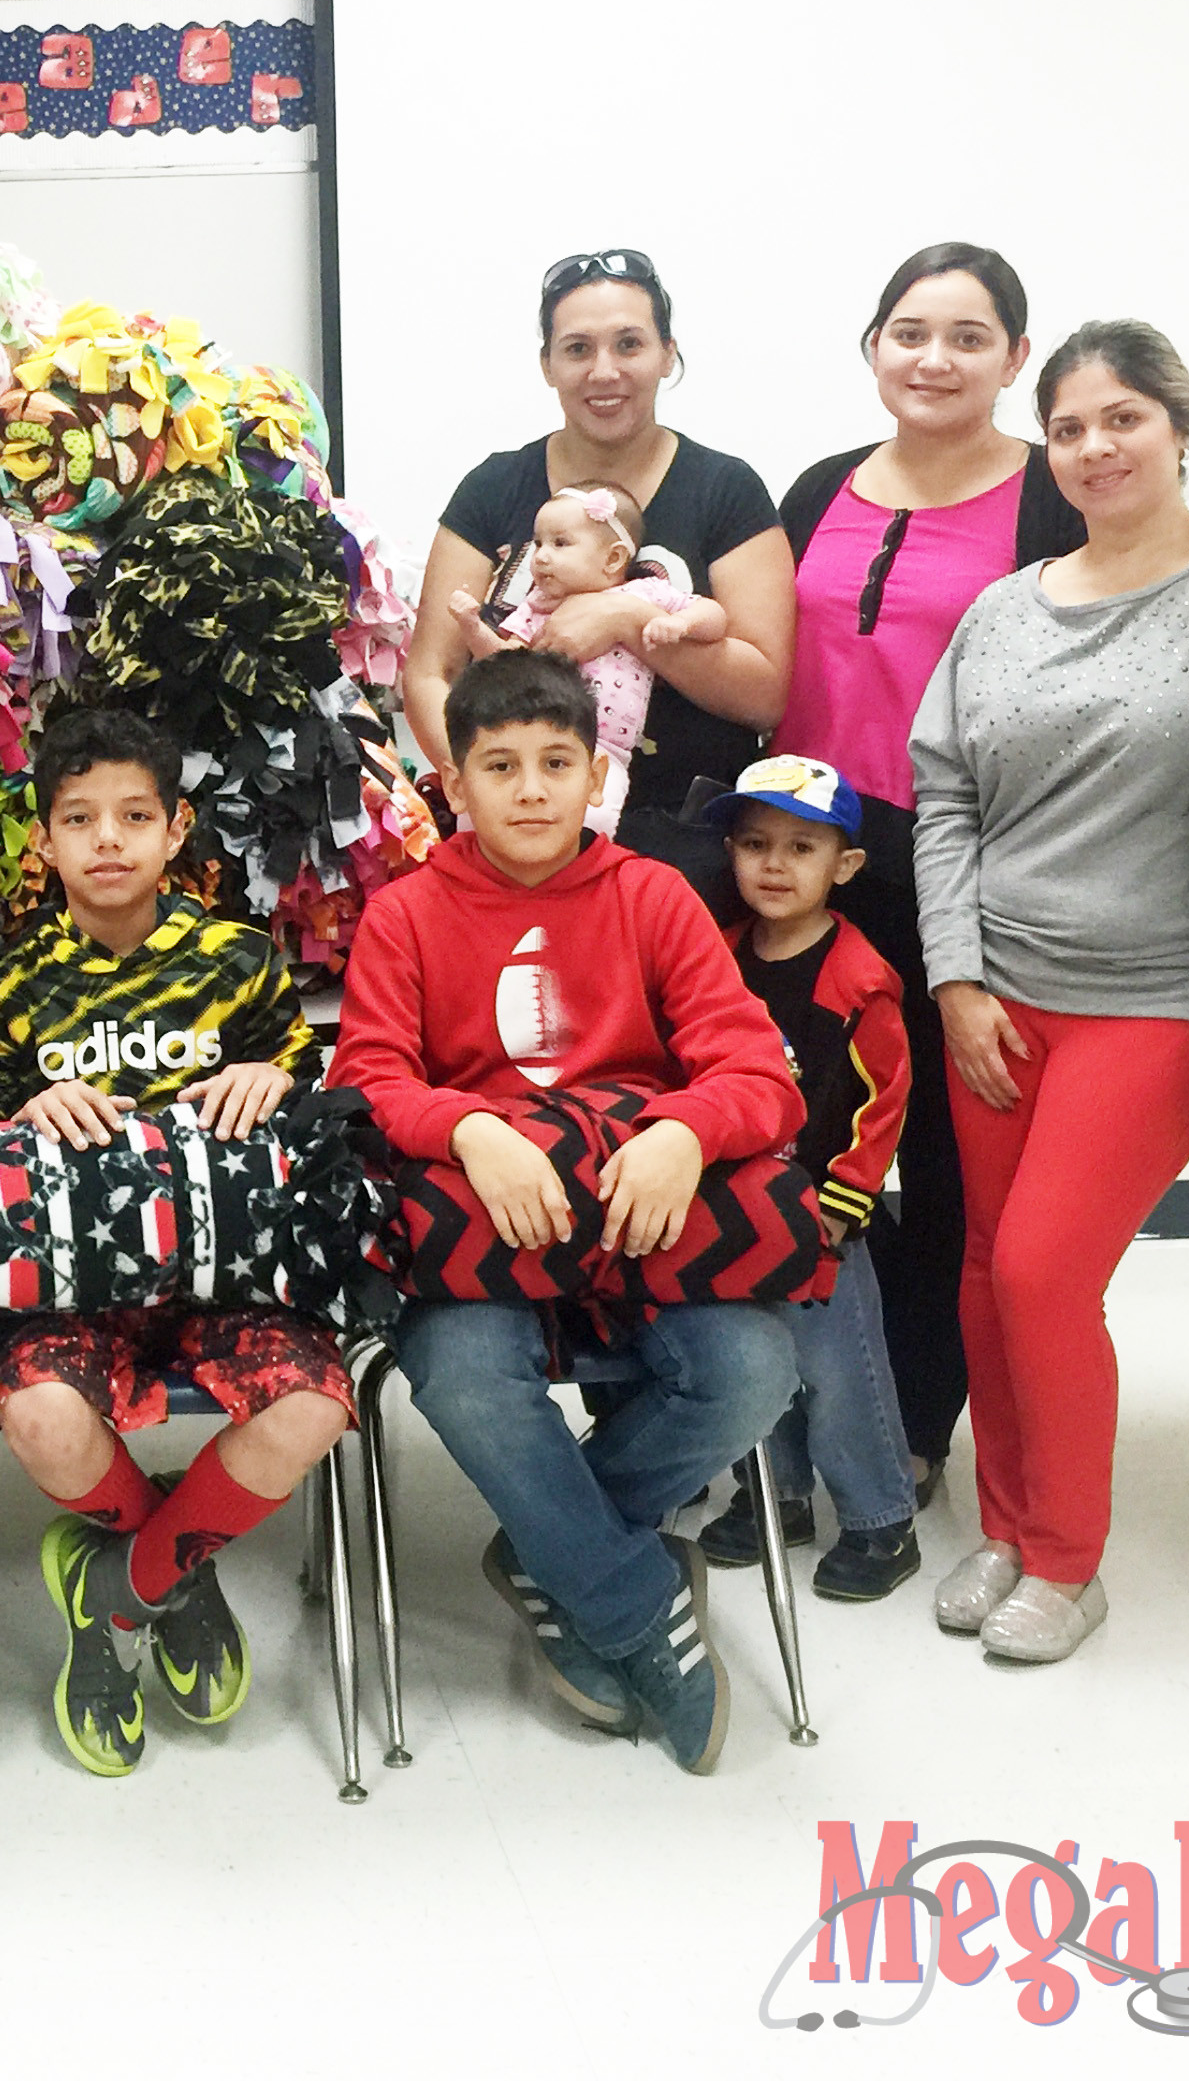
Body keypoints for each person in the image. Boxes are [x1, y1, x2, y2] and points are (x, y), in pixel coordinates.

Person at [333, 651, 803, 1773]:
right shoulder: (406, 916)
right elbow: (369, 1079)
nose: (532, 789)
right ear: (455, 784)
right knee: (464, 1381)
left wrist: (683, 1132)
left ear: (597, 773)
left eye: (556, 763)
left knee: (753, 1371)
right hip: (477, 1235)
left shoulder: (655, 897)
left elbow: (759, 1074)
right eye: (500, 766)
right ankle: (637, 1609)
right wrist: (470, 1129)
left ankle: (557, 1553)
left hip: (646, 1219)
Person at [0, 706, 348, 1778]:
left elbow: (312, 1116)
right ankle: (178, 1563)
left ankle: (121, 1596)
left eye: (132, 816)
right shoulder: (2, 984)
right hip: (73, 1286)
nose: (106, 839)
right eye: (78, 818)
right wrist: (23, 1115)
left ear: (177, 830)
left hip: (236, 1276)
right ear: (44, 841)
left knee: (311, 1409)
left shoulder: (240, 962)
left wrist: (278, 1078)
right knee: (40, 1419)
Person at [906, 320, 1189, 1665]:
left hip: (1159, 999)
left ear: (1180, 426)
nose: (1096, 449)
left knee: (1043, 1271)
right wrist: (957, 975)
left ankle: (1070, 1561)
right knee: (983, 1272)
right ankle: (1009, 1527)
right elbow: (945, 793)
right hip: (1000, 994)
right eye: (1073, 428)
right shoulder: (1002, 607)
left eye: (1125, 420)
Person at [775, 242, 1084, 1505]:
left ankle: (915, 1421)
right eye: (909, 331)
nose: (934, 358)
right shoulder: (813, 489)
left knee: (952, 1163)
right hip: (802, 868)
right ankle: (798, 1411)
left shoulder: (1052, 500)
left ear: (1017, 359)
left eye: (968, 336)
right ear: (873, 349)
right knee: (807, 1146)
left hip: (964, 871)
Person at [403, 250, 792, 893]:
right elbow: (430, 671)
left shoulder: (726, 489)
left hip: (683, 856)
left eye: (629, 344)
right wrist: (491, 801)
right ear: (547, 365)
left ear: (668, 354)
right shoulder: (492, 487)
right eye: (578, 348)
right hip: (509, 856)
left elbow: (765, 693)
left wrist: (623, 618)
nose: (604, 371)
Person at [691, 759, 919, 1602]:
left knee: (838, 1372)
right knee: (754, 1361)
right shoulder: (716, 959)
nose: (775, 865)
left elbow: (882, 1100)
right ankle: (772, 1499)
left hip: (819, 1218)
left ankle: (879, 1520)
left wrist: (843, 1204)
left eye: (801, 846)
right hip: (731, 1213)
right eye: (755, 844)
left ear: (844, 867)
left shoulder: (859, 981)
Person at [453, 480, 728, 835]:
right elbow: (504, 662)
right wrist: (471, 627)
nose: (541, 556)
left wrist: (680, 624)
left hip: (605, 750)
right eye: (538, 543)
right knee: (475, 820)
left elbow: (714, 616)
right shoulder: (536, 605)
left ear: (613, 557)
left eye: (560, 543)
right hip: (528, 741)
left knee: (593, 823)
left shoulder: (645, 593)